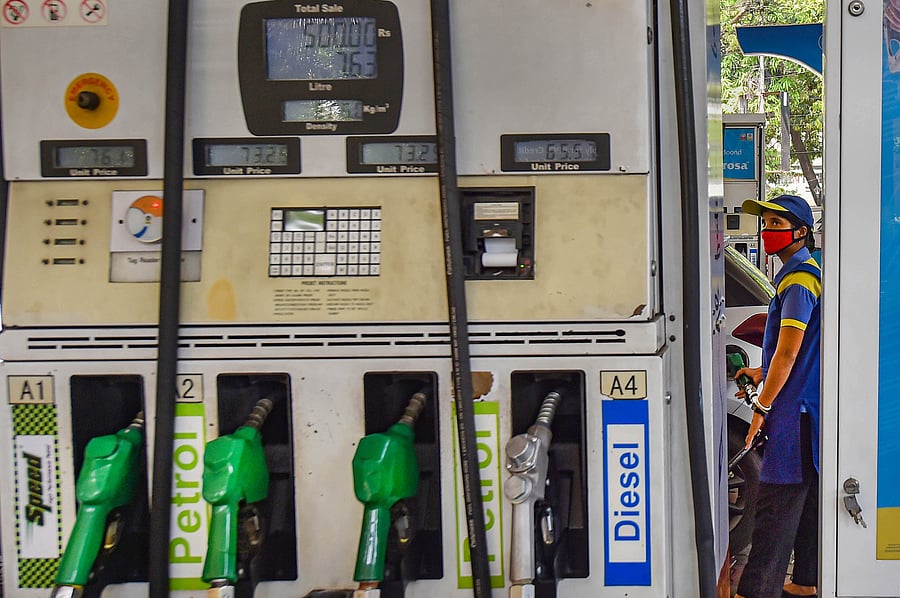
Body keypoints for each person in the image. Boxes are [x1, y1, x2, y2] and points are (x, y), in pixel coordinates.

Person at [734, 194, 821, 598]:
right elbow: (794, 352)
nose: (767, 231)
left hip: (792, 412)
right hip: (804, 406)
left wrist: (761, 407)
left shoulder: (800, 281)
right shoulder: (803, 273)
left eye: (776, 224)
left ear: (801, 232)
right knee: (805, 504)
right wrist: (760, 372)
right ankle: (804, 583)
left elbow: (788, 353)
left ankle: (757, 591)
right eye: (766, 223)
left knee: (776, 508)